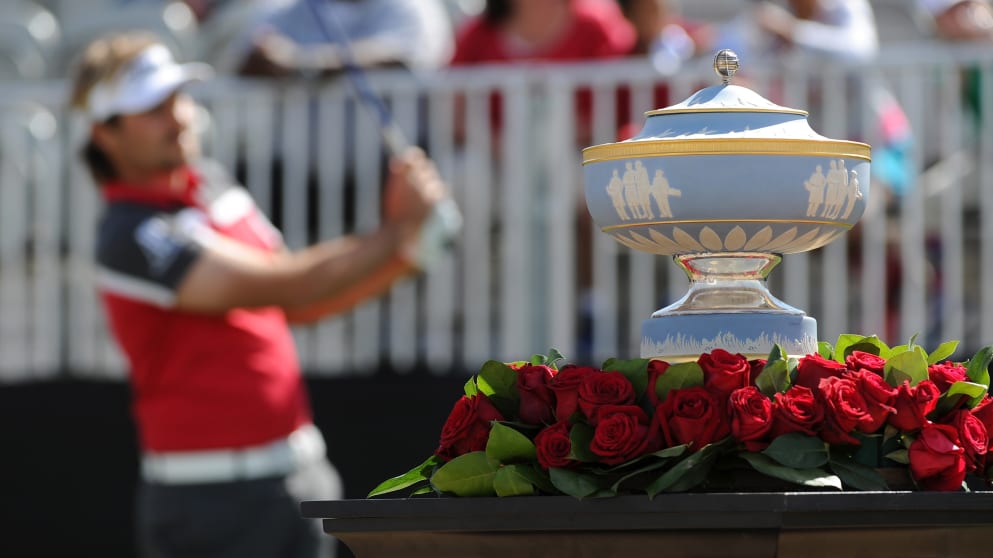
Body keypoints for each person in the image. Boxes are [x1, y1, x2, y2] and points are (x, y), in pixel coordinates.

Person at [68, 31, 457, 558]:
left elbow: (298, 304)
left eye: (177, 98)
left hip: (298, 475)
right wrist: (393, 229)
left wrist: (406, 256)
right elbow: (287, 281)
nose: (179, 117)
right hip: (207, 501)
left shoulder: (213, 186)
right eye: (152, 109)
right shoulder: (130, 234)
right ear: (105, 134)